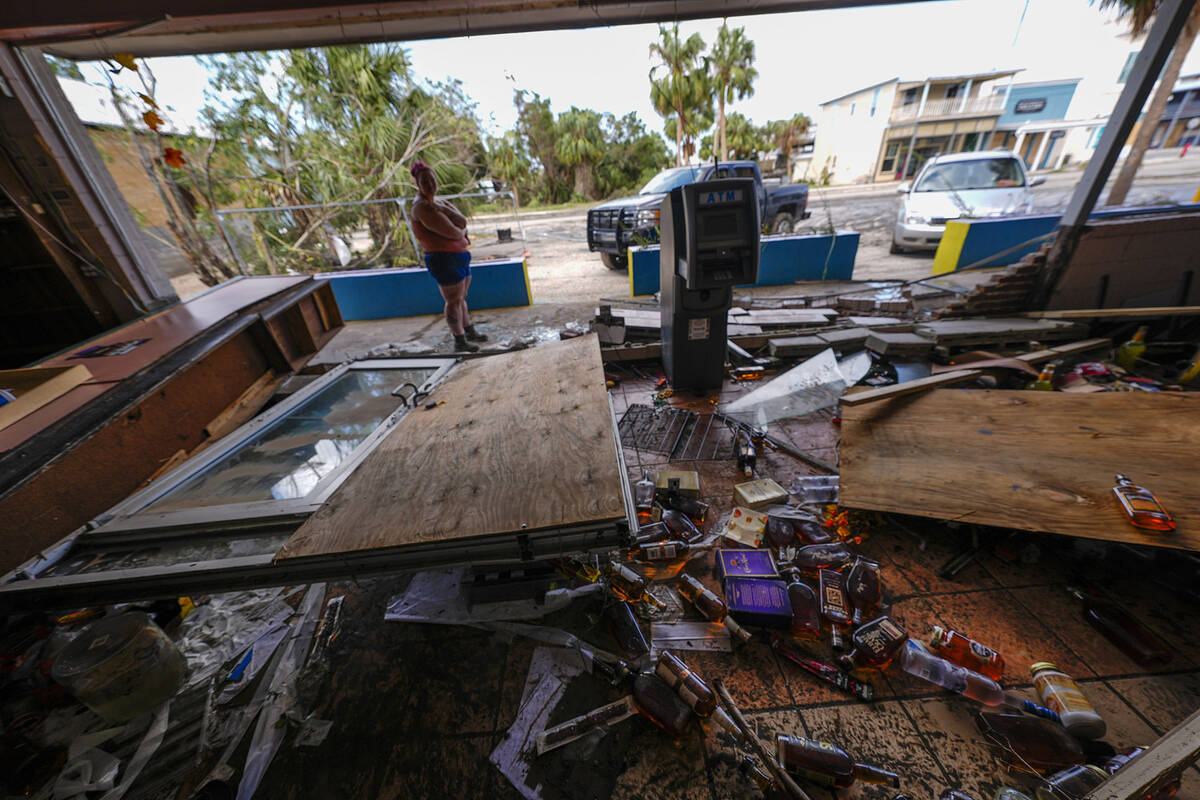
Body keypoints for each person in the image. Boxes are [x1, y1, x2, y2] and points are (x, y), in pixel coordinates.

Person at [410, 160, 487, 352]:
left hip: (459, 257)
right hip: (443, 259)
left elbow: (461, 221)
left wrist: (446, 210)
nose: (430, 184)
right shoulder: (422, 207)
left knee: (461, 297)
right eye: (425, 181)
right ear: (417, 184)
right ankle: (459, 340)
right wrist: (462, 233)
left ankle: (468, 330)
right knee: (453, 300)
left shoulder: (439, 203)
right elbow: (453, 232)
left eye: (432, 179)